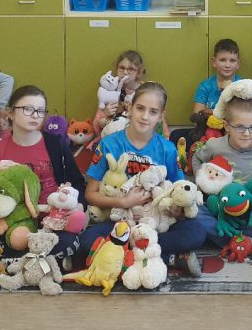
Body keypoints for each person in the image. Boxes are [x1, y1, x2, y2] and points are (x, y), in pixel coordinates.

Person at [78, 82, 206, 275]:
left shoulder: (167, 149)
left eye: (153, 112)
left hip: (156, 223)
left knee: (196, 232)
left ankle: (124, 257)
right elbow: (90, 194)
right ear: (130, 108)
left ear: (161, 116)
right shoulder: (109, 144)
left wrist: (175, 209)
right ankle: (169, 258)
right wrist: (124, 202)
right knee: (87, 241)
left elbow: (178, 191)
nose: (145, 116)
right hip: (121, 221)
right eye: (140, 108)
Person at [0, 85, 85, 262]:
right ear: (10, 113)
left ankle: (9, 261)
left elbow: (77, 182)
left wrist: (79, 206)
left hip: (53, 221)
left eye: (40, 111)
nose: (35, 115)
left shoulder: (55, 143)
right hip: (14, 223)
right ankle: (33, 260)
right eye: (28, 109)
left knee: (70, 242)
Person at [193, 84, 252, 254]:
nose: (247, 133)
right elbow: (197, 157)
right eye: (240, 127)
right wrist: (202, 179)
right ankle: (251, 241)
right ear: (226, 126)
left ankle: (234, 239)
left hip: (251, 208)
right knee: (195, 214)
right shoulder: (215, 146)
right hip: (221, 207)